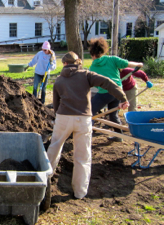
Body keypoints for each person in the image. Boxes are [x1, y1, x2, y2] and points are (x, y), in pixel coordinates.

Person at [47, 51, 129, 199]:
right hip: (83, 120)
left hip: (63, 118)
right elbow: (108, 82)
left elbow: (56, 104)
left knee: (54, 147)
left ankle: (45, 179)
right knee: (82, 156)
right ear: (78, 62)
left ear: (64, 63)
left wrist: (57, 117)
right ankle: (79, 192)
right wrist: (122, 98)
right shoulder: (87, 75)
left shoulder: (59, 80)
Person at [89, 37, 143, 142]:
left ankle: (86, 136)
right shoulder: (112, 59)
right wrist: (139, 64)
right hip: (118, 93)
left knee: (89, 112)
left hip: (105, 93)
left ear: (93, 54)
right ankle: (119, 136)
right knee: (113, 114)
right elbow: (128, 64)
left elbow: (92, 83)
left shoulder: (93, 67)